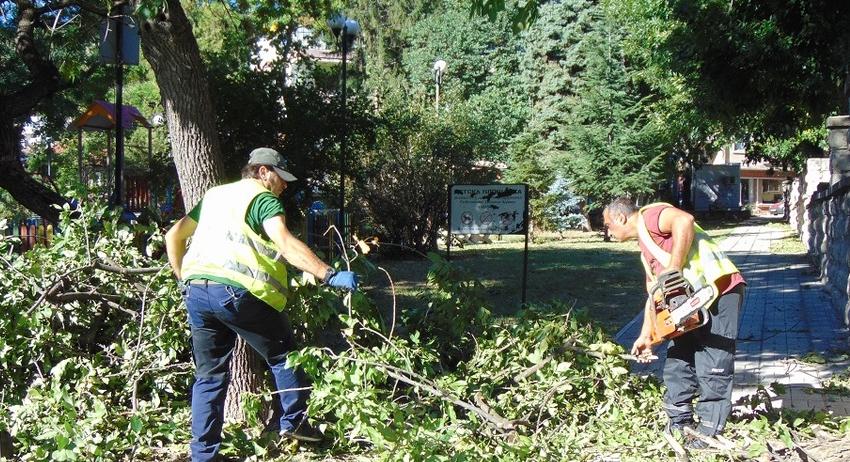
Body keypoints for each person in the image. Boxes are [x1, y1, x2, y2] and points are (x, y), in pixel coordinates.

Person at [165, 147, 358, 462]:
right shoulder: (263, 199)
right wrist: (328, 274)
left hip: (198, 293)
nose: (284, 185)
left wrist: (183, 277)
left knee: (209, 375)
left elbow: (174, 235)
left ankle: (203, 455)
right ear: (263, 171)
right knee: (285, 357)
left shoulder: (215, 196)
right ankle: (295, 423)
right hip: (238, 294)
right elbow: (285, 243)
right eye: (281, 177)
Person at [602, 198, 745, 448]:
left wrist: (674, 270)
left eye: (607, 226)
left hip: (717, 290)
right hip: (686, 306)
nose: (607, 232)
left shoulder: (652, 216)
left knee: (713, 361)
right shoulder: (645, 253)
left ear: (620, 218)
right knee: (678, 361)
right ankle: (679, 422)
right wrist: (647, 335)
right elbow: (655, 297)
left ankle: (709, 432)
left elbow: (684, 220)